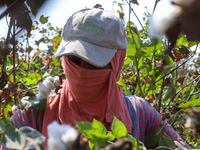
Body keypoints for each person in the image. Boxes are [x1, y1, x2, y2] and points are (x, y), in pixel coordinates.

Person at [10, 7, 189, 150]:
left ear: (117, 61)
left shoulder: (141, 115)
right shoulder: (33, 115)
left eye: (94, 62)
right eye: (73, 59)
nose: (81, 70)